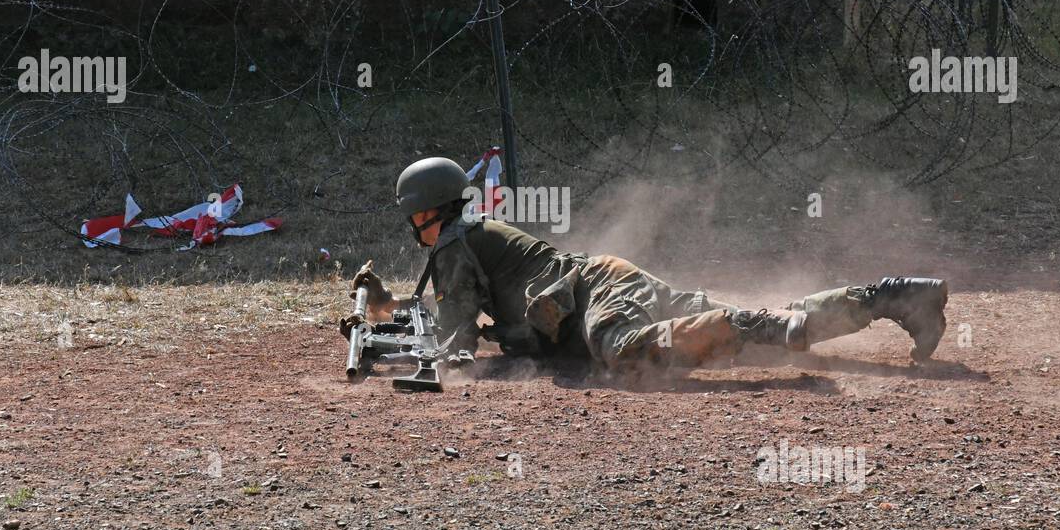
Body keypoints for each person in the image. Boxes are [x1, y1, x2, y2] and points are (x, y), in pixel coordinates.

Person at [349, 157, 949, 373]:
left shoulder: (453, 246)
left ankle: (752, 325)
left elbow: (455, 326)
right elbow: (446, 306)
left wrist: (440, 357)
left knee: (619, 348)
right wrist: (384, 312)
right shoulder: (463, 239)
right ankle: (897, 297)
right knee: (764, 333)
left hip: (595, 292)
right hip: (608, 278)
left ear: (425, 211)